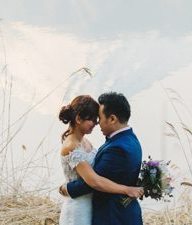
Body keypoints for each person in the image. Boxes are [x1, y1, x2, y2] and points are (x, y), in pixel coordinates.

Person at [60, 92, 144, 225]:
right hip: (80, 208)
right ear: (78, 119)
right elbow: (96, 178)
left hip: (112, 215)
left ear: (112, 119)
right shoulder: (130, 139)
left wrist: (67, 188)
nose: (96, 123)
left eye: (98, 118)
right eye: (92, 119)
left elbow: (95, 181)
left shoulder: (116, 147)